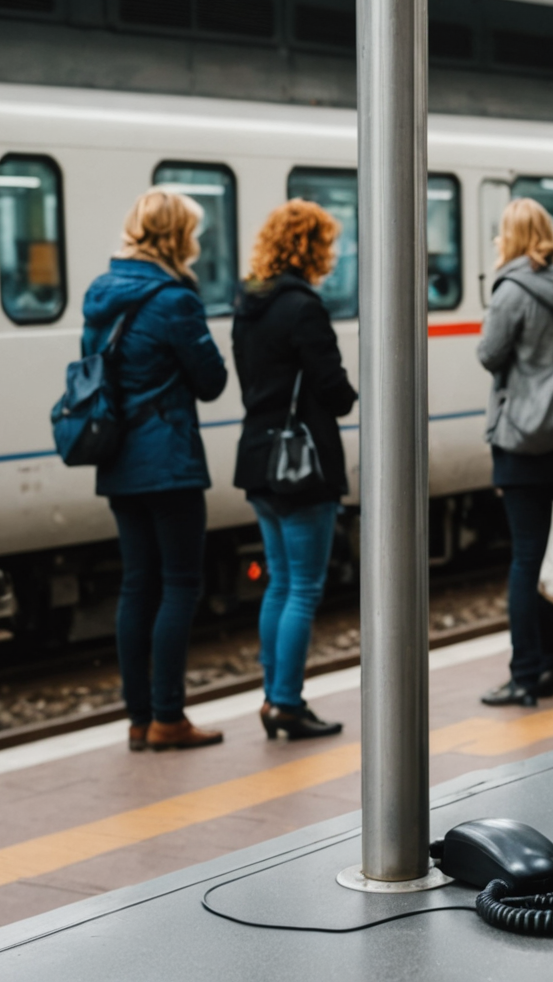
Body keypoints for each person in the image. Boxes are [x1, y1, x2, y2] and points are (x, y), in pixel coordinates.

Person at [80, 190, 230, 751]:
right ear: (176, 237)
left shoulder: (101, 293)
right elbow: (212, 381)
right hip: (168, 462)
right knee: (180, 585)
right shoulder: (175, 299)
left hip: (118, 458)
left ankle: (139, 719)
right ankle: (169, 717)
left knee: (137, 584)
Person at [231, 199, 356, 741]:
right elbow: (334, 391)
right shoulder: (304, 307)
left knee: (280, 582)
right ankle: (285, 702)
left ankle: (272, 696)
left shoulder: (248, 304)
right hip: (301, 464)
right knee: (303, 586)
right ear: (312, 247)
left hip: (259, 458)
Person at [477, 198, 553, 705]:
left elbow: (489, 354)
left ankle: (524, 672)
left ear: (512, 237)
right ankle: (550, 662)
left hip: (520, 437)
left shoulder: (510, 289)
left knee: (526, 557)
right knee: (550, 552)